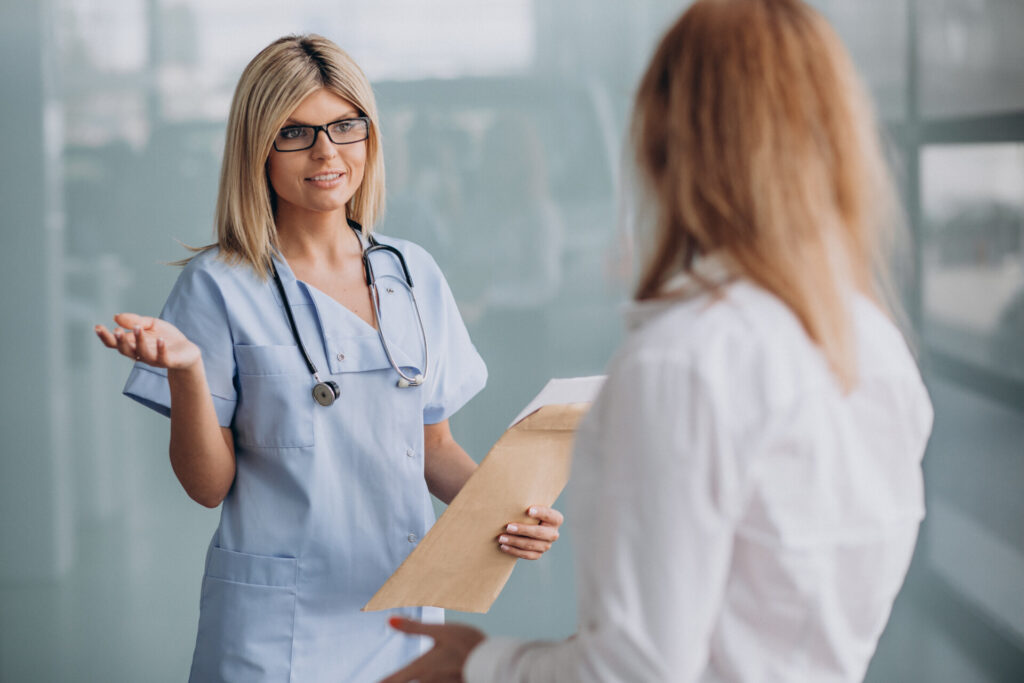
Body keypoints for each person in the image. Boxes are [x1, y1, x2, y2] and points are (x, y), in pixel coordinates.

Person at [383, 0, 933, 681]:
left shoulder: (686, 361)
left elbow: (636, 667)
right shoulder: (874, 344)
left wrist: (483, 665)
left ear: (669, 140)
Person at [93, 34, 563, 682]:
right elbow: (208, 487)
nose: (326, 152)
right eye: (296, 132)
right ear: (258, 147)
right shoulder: (219, 286)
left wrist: (504, 508)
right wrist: (188, 374)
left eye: (346, 126)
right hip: (275, 629)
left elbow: (433, 448)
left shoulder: (412, 273)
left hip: (401, 613)